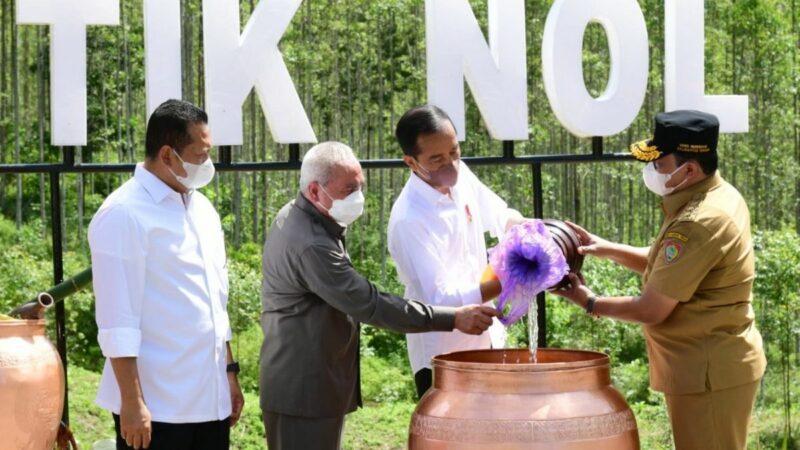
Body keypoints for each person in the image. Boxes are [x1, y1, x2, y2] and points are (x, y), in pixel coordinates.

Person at [259, 141, 499, 450]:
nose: (359, 197)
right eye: (348, 190)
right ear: (315, 191)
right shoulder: (311, 244)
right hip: (304, 390)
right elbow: (370, 304)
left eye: (360, 186)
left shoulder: (301, 217)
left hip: (307, 383)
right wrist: (453, 318)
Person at [552, 110, 766, 450]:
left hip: (707, 371)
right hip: (710, 365)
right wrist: (605, 248)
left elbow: (652, 308)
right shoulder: (717, 195)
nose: (652, 171)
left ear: (690, 169)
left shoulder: (698, 222)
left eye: (660, 164)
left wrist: (590, 302)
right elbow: (671, 267)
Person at [89, 99, 244, 450]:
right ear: (167, 154)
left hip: (209, 399)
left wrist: (229, 375)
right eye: (200, 155)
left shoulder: (201, 208)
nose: (208, 163)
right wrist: (132, 403)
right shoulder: (123, 214)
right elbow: (117, 320)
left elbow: (215, 304)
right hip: (157, 408)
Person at [388, 105, 526, 398]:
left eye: (454, 152)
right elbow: (442, 299)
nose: (450, 164)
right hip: (443, 356)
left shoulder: (460, 175)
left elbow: (498, 213)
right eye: (436, 159)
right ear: (411, 162)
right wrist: (511, 277)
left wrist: (526, 231)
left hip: (488, 340)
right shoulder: (408, 219)